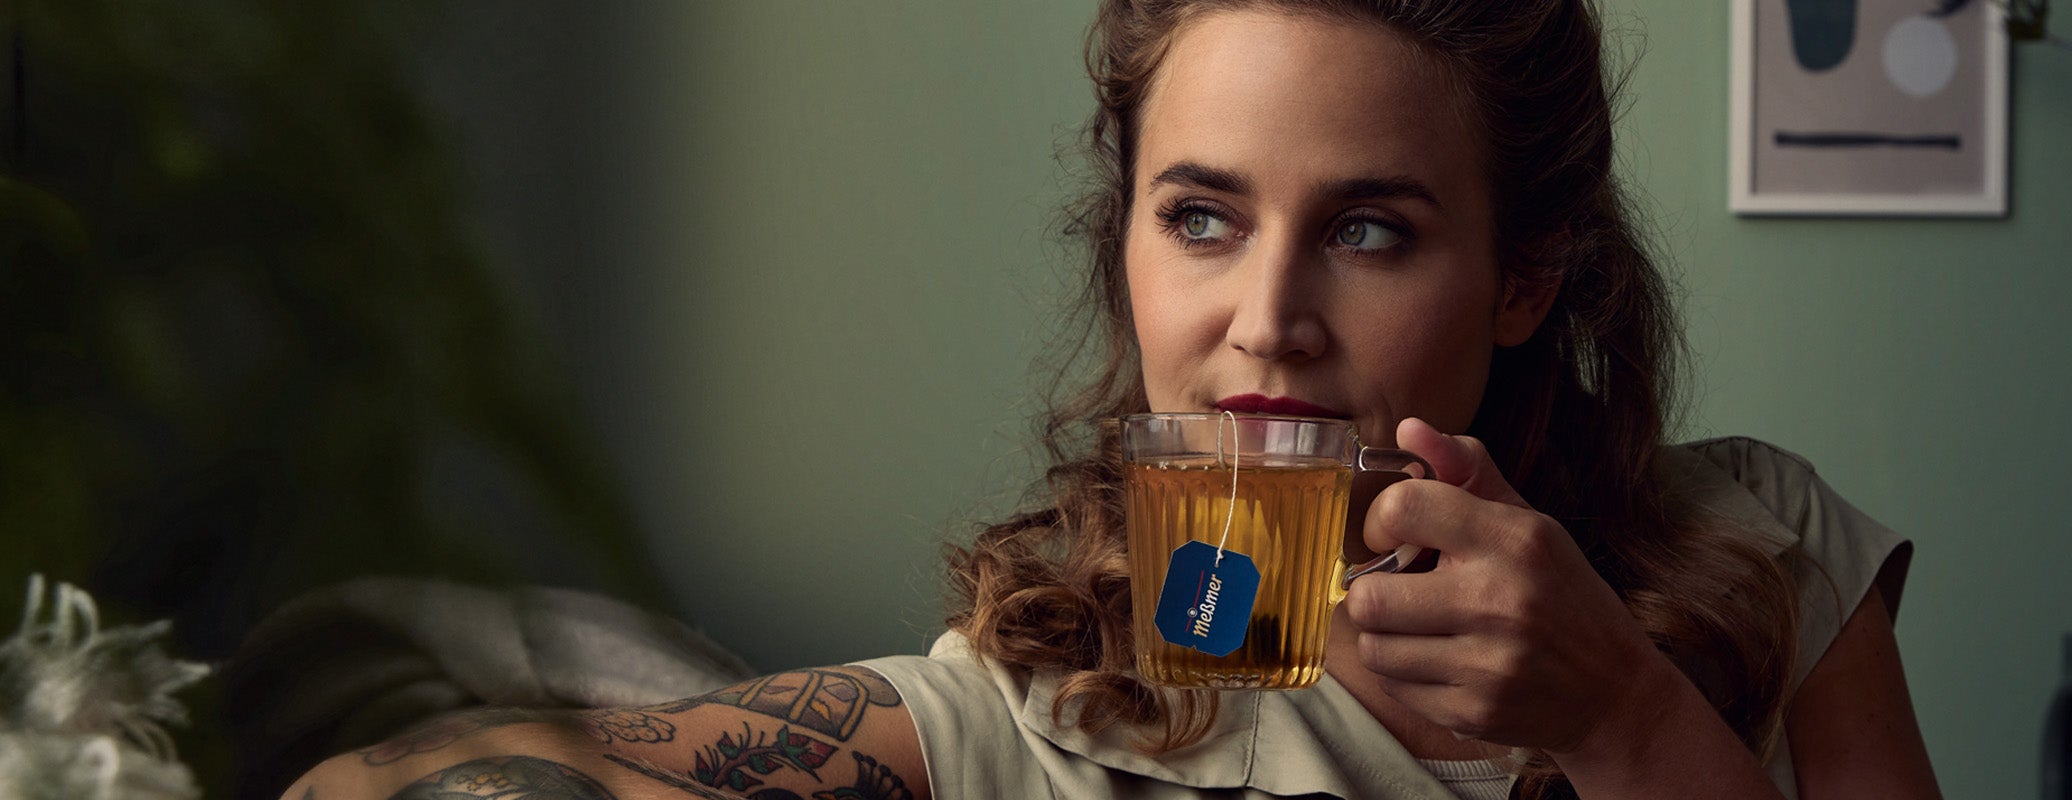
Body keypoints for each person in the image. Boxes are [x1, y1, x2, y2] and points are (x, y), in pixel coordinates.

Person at [284, 1, 1940, 797]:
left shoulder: (1764, 547)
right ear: (1129, 247)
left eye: (1370, 230)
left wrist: (1627, 718)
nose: (1266, 324)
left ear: (1524, 278)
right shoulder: (1044, 723)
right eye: (1203, 218)